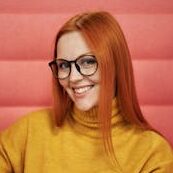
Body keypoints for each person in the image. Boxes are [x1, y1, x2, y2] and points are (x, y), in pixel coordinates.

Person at [0, 11, 173, 173]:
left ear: (115, 64)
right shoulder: (29, 131)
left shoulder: (152, 153)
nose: (73, 77)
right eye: (63, 65)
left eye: (88, 62)